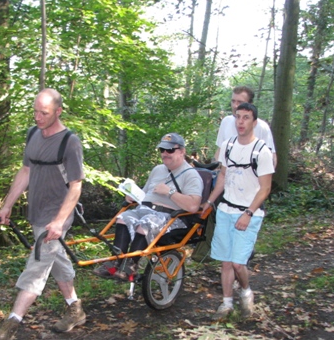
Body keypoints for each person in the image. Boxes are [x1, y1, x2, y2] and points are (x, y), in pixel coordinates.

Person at [0, 88, 85, 340]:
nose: (38, 117)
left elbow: (76, 185)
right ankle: (75, 309)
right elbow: (26, 170)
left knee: (38, 264)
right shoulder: (33, 135)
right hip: (37, 212)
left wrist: (60, 221)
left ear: (58, 112)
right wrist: (6, 206)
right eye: (35, 111)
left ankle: (9, 326)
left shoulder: (70, 142)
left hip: (58, 213)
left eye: (44, 113)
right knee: (57, 260)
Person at [94, 133, 203, 280]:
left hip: (170, 216)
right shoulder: (158, 169)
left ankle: (131, 266)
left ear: (182, 151)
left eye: (170, 150)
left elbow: (193, 206)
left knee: (146, 223)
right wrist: (133, 196)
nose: (165, 153)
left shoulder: (191, 175)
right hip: (144, 208)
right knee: (123, 218)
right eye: (162, 150)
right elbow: (144, 193)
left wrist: (170, 192)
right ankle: (115, 262)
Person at [203, 102, 275, 320]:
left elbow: (265, 188)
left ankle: (245, 292)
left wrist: (248, 213)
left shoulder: (261, 151)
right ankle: (226, 304)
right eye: (238, 117)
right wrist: (209, 201)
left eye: (246, 118)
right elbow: (223, 177)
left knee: (237, 263)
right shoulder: (228, 145)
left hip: (249, 213)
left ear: (254, 122)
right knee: (226, 261)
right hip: (225, 210)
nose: (241, 122)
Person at [214, 86, 277, 167]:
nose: (235, 106)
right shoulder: (226, 122)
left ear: (250, 104)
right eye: (233, 101)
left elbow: (272, 158)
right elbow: (220, 150)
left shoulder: (262, 127)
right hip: (227, 174)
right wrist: (214, 169)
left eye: (240, 102)